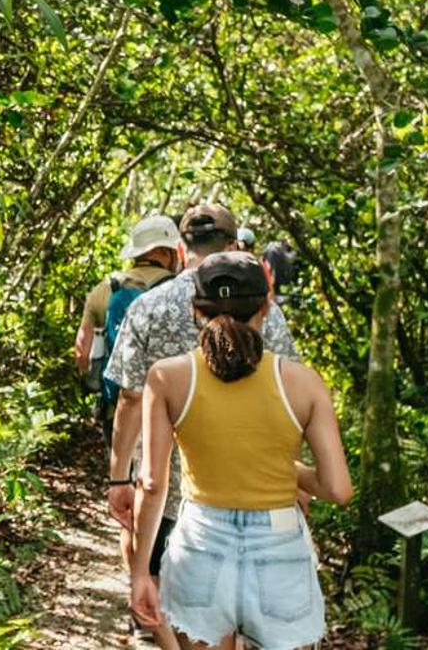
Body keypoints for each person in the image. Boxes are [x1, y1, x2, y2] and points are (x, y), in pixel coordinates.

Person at [128, 252, 351, 649]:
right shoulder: (303, 383)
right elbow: (337, 489)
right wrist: (286, 468)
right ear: (267, 307)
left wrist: (141, 572)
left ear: (196, 310)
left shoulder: (167, 377)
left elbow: (150, 482)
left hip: (201, 543)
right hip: (280, 546)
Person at [102, 205, 299, 646]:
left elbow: (130, 399)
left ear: (180, 248)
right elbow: (288, 395)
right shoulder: (262, 311)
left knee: (191, 615)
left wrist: (120, 476)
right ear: (233, 249)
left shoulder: (147, 307)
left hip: (175, 500)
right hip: (250, 486)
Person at [75, 214, 182, 409]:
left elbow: (82, 355)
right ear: (167, 252)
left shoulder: (104, 289)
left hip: (119, 409)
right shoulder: (181, 289)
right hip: (169, 408)